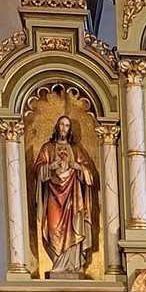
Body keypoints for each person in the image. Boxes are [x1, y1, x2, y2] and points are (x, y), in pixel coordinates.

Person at [33, 116, 94, 276]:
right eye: (61, 124)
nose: (64, 128)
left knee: (74, 226)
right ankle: (58, 263)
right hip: (53, 196)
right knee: (53, 228)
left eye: (67, 125)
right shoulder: (47, 148)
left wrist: (77, 166)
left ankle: (72, 265)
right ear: (57, 126)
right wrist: (50, 166)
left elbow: (88, 174)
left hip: (72, 195)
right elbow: (37, 170)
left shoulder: (76, 149)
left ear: (69, 129)